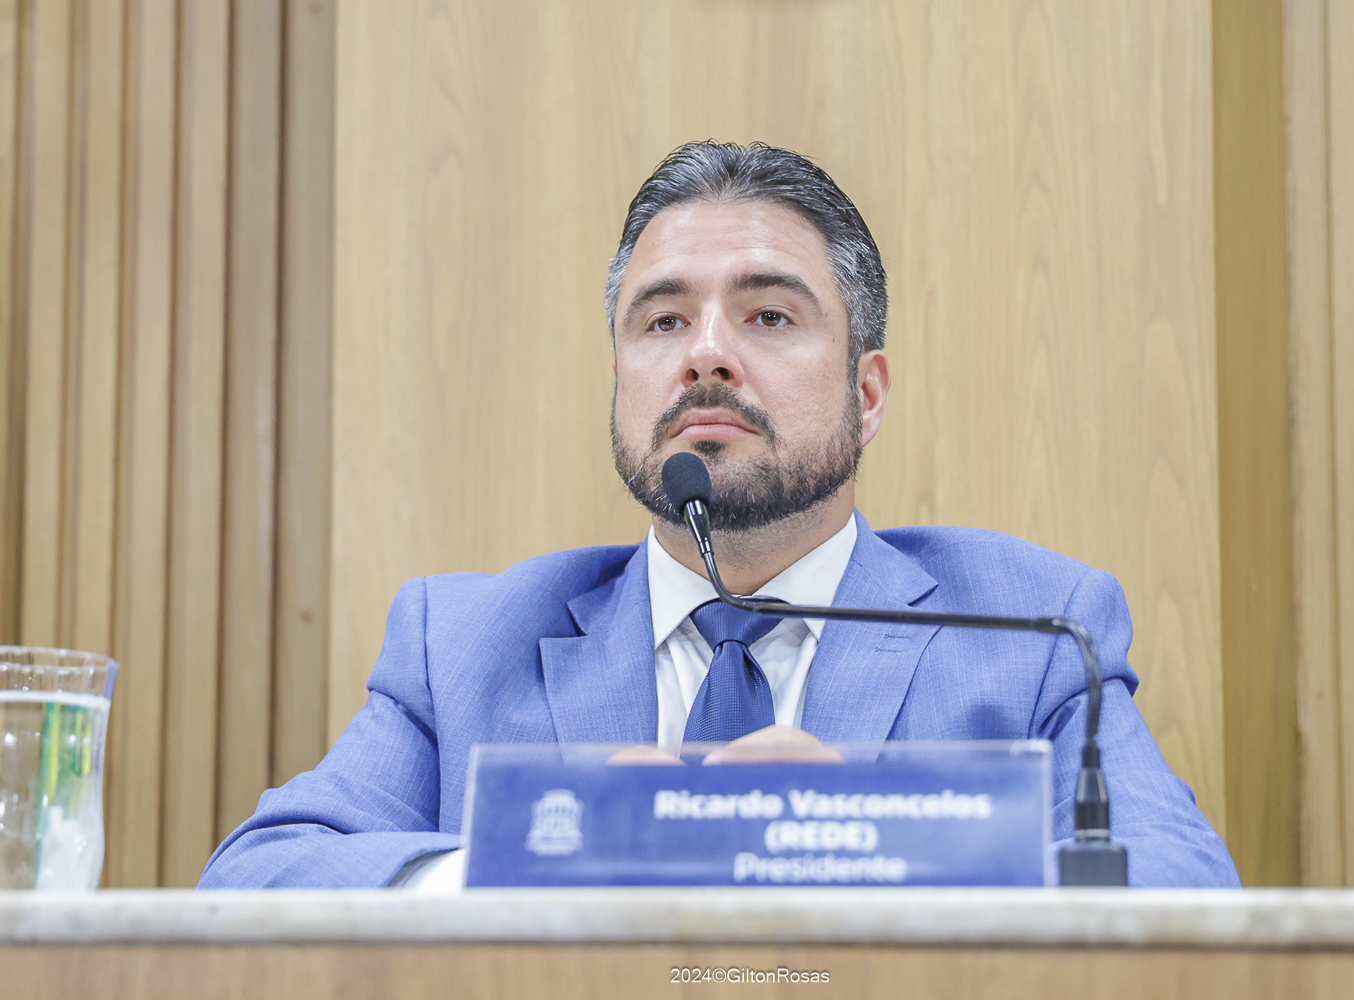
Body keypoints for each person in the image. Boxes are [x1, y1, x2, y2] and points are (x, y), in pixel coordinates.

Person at [200, 141, 1239, 890]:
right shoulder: (464, 645)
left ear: (867, 393)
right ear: (621, 382)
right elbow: (259, 877)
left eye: (769, 314)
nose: (705, 353)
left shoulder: (1033, 634)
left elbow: (1181, 896)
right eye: (662, 321)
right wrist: (537, 857)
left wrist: (872, 844)